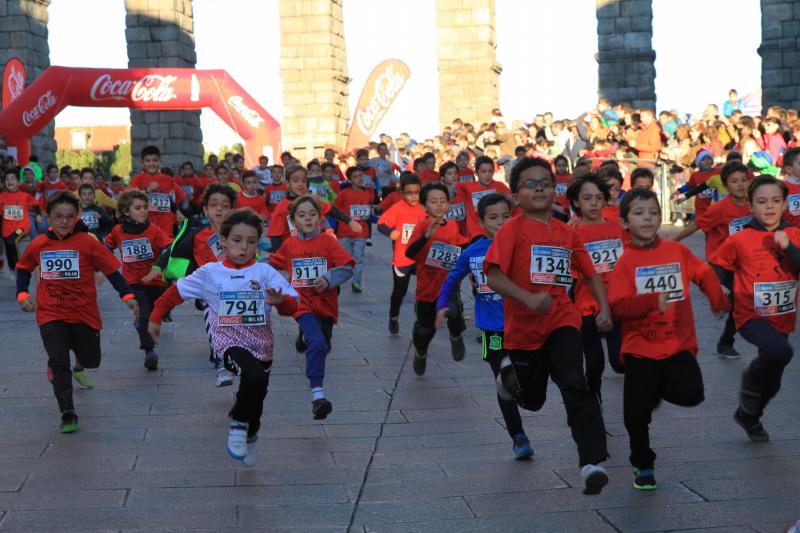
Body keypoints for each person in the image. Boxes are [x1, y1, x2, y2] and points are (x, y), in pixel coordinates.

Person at [485, 157, 612, 495]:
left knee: (575, 381)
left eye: (545, 183)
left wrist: (604, 308)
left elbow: (590, 273)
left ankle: (591, 462)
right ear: (516, 196)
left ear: (555, 191)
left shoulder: (566, 232)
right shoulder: (512, 230)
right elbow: (493, 275)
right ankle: (508, 382)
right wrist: (527, 298)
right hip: (523, 331)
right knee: (533, 400)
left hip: (561, 318)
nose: (539, 188)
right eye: (530, 184)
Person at [149, 209, 299, 465]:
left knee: (257, 392)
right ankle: (238, 424)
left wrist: (281, 301)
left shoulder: (264, 272)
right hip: (229, 343)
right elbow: (176, 292)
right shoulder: (211, 272)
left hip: (262, 345)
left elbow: (292, 305)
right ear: (224, 241)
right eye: (237, 240)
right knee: (253, 377)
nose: (244, 247)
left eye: (251, 242)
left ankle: (251, 433)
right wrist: (155, 317)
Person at [609, 188, 729, 491]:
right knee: (636, 416)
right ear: (625, 223)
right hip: (640, 349)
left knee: (692, 394)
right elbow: (618, 307)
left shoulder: (676, 251)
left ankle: (657, 388)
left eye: (653, 212)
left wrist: (718, 299)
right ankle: (643, 463)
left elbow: (703, 273)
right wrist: (650, 301)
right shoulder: (625, 263)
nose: (647, 218)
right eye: (639, 213)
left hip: (677, 343)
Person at [16, 191, 139, 432]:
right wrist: (22, 294)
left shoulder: (87, 243)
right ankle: (67, 412)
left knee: (91, 360)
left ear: (77, 217)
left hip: (84, 312)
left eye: (70, 216)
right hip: (51, 312)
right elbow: (23, 268)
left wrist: (127, 296)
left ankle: (71, 362)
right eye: (58, 216)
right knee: (59, 362)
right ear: (48, 217)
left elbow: (111, 271)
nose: (64, 221)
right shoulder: (39, 244)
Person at [434, 193, 533, 459]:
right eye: (493, 217)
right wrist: (441, 305)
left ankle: (519, 383)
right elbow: (451, 280)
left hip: (522, 327)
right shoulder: (473, 252)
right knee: (503, 378)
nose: (500, 222)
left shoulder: (523, 246)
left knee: (525, 378)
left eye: (505, 216)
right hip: (492, 330)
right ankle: (518, 437)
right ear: (481, 222)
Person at [711, 175, 800, 443]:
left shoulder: (794, 234)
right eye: (762, 201)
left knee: (774, 380)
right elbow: (720, 265)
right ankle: (751, 378)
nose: (769, 206)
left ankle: (749, 416)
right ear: (750, 207)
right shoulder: (741, 239)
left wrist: (788, 247)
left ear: (784, 204)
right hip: (750, 315)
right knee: (781, 351)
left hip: (783, 316)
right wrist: (719, 289)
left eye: (775, 200)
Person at [269, 196, 355, 420]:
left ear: (320, 218)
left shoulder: (328, 242)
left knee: (323, 345)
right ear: (293, 221)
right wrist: (247, 263)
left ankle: (306, 338)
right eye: (302, 215)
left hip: (326, 306)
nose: (307, 218)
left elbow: (348, 267)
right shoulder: (290, 245)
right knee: (316, 343)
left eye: (312, 214)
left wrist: (328, 278)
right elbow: (273, 262)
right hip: (302, 305)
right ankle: (318, 396)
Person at [144, 184, 238, 387]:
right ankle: (221, 364)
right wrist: (158, 268)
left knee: (235, 329)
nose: (219, 209)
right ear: (205, 209)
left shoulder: (240, 234)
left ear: (232, 210)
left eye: (225, 205)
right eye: (213, 205)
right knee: (214, 323)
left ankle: (234, 358)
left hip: (236, 292)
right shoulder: (197, 235)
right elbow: (172, 250)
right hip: (209, 291)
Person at [674, 161, 752, 357]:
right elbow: (697, 225)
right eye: (734, 181)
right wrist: (673, 241)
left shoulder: (753, 203)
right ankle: (718, 300)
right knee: (731, 301)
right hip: (720, 261)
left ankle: (725, 342)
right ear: (725, 185)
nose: (740, 185)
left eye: (743, 180)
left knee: (741, 304)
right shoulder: (720, 208)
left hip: (742, 262)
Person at [566, 175, 625, 399]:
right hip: (586, 303)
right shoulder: (571, 232)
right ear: (576, 201)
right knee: (594, 364)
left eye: (599, 198)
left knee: (619, 361)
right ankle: (593, 401)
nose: (593, 203)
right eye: (587, 198)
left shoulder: (618, 227)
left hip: (617, 301)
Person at [404, 182, 469, 374]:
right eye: (433, 201)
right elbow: (409, 253)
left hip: (449, 284)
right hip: (426, 288)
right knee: (425, 330)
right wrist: (426, 236)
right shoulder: (422, 226)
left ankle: (456, 336)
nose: (439, 204)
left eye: (443, 200)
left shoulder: (453, 226)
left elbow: (461, 246)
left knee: (454, 312)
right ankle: (421, 351)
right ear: (424, 205)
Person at [105, 190, 173, 370]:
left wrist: (160, 264)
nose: (143, 211)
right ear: (126, 212)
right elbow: (106, 247)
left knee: (158, 311)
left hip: (156, 282)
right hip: (133, 282)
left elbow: (170, 247)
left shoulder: (153, 229)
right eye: (138, 208)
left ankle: (159, 314)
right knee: (144, 316)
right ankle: (149, 351)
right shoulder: (117, 231)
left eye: (145, 207)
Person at [377, 173, 427, 334]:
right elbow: (381, 224)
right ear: (402, 192)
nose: (413, 196)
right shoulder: (398, 208)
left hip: (421, 256)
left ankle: (422, 315)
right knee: (400, 291)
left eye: (417, 192)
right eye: (409, 193)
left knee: (425, 289)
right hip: (403, 257)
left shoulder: (424, 208)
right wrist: (390, 232)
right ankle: (394, 317)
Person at [130, 146, 191, 237]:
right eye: (148, 161)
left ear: (160, 162)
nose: (151, 163)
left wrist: (178, 211)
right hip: (145, 227)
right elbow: (129, 200)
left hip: (166, 228)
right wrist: (146, 190)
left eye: (155, 160)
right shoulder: (137, 179)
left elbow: (179, 199)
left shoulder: (168, 180)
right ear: (142, 163)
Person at [334, 166, 373, 293]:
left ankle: (356, 282)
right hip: (344, 231)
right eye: (355, 177)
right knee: (344, 259)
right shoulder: (344, 193)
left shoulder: (368, 194)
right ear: (350, 180)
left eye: (360, 176)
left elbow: (368, 213)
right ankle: (338, 279)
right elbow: (335, 209)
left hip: (361, 232)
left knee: (358, 258)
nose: (359, 179)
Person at [457, 155, 512, 239]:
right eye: (483, 171)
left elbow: (512, 203)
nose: (487, 174)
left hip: (495, 231)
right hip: (476, 233)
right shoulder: (466, 187)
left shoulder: (500, 186)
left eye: (490, 171)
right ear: (476, 173)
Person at [0, 168, 41, 272]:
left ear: (19, 182)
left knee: (11, 241)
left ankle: (17, 264)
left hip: (21, 227)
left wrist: (38, 215)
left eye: (12, 179)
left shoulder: (25, 196)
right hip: (6, 228)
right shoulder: (1, 197)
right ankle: (12, 265)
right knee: (7, 243)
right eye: (7, 179)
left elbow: (36, 205)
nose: (9, 181)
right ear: (4, 183)